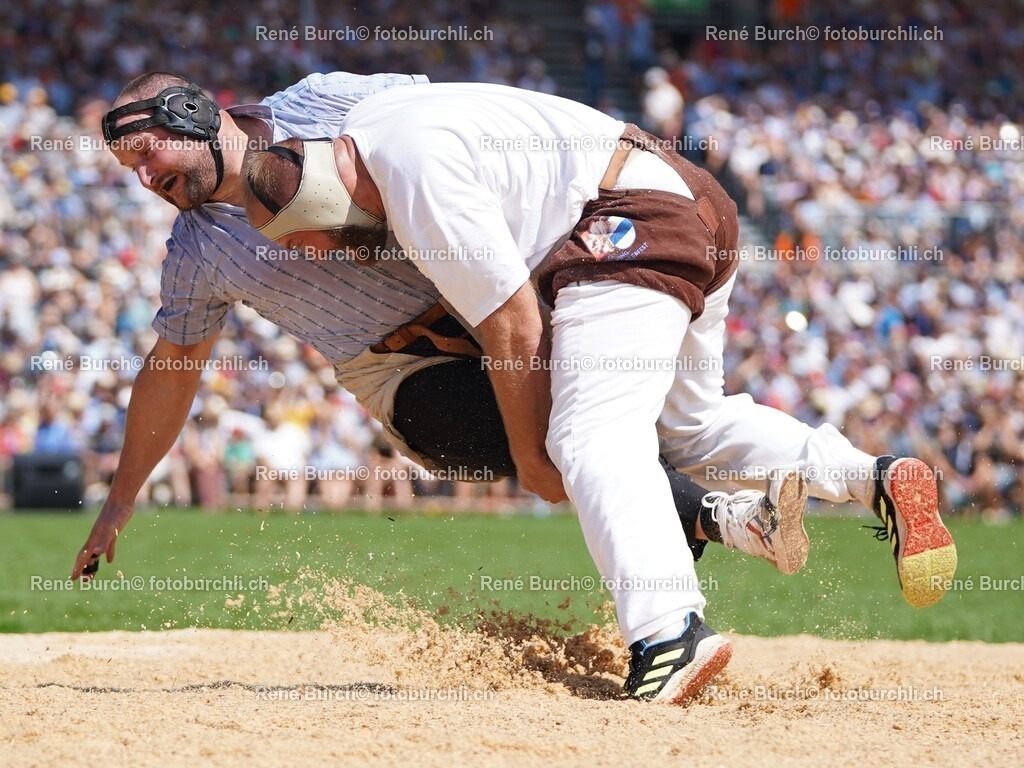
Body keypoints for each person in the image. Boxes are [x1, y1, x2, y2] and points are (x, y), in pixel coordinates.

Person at [243, 81, 958, 703]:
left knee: (588, 436)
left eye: (319, 243)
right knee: (693, 426)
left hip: (623, 221)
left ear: (327, 207)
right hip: (687, 196)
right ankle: (875, 479)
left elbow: (515, 326)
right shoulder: (377, 119)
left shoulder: (414, 189)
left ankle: (668, 634)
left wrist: (529, 455)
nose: (336, 257)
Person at [70, 71, 803, 583]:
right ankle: (731, 521)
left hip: (496, 292)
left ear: (193, 115)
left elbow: (458, 116)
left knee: (630, 426)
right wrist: (120, 499)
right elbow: (173, 370)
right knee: (543, 445)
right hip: (402, 369)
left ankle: (831, 488)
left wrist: (592, 156)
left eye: (146, 154)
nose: (144, 179)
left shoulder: (323, 99)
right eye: (128, 168)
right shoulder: (197, 251)